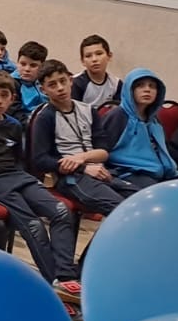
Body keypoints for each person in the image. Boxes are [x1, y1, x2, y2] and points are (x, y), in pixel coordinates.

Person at [0, 72, 78, 283]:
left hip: (18, 177)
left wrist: (29, 178)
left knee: (61, 211)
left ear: (12, 99)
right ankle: (56, 281)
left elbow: (19, 159)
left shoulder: (13, 125)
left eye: (4, 95)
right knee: (34, 226)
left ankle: (66, 275)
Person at [29, 59, 126, 219]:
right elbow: (40, 160)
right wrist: (82, 167)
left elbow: (103, 152)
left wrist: (81, 158)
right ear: (43, 90)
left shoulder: (88, 110)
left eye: (62, 81)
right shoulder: (45, 117)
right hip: (71, 177)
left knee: (139, 199)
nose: (60, 88)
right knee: (121, 208)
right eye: (52, 85)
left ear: (70, 80)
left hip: (99, 171)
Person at [93, 68, 178, 191]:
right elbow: (101, 149)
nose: (147, 90)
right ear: (130, 90)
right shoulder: (118, 115)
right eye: (140, 86)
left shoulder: (154, 120)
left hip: (158, 171)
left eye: (152, 86)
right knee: (160, 193)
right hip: (128, 173)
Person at [72, 34, 121, 109]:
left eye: (99, 54)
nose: (94, 59)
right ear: (82, 61)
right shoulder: (75, 83)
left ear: (109, 56)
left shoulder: (116, 84)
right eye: (88, 56)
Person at [10, 41, 48, 120]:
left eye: (33, 65)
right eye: (23, 64)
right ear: (17, 63)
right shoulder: (11, 83)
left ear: (42, 66)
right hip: (25, 123)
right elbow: (15, 113)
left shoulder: (45, 81)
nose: (27, 69)